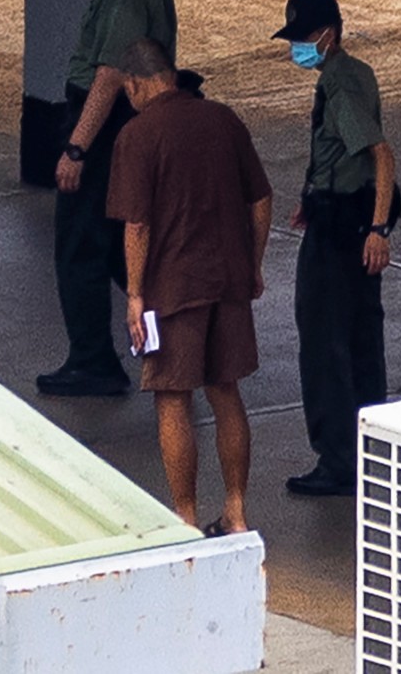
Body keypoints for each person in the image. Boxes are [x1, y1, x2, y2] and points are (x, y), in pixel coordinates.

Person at [107, 38, 272, 533]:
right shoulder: (223, 119)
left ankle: (185, 518)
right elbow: (261, 200)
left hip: (171, 289)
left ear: (136, 84)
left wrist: (135, 294)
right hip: (228, 279)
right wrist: (253, 264)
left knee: (172, 396)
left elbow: (137, 225)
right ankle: (236, 511)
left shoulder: (138, 135)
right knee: (226, 391)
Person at [36, 0, 178, 397]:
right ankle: (173, 340)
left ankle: (93, 359)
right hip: (127, 119)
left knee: (81, 244)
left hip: (105, 121)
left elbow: (110, 75)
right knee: (121, 247)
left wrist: (77, 148)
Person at [273, 0, 399, 497]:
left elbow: (381, 154)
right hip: (346, 216)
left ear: (329, 34)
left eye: (304, 37)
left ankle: (338, 459)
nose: (298, 47)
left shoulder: (340, 86)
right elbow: (343, 158)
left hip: (342, 232)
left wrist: (378, 230)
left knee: (325, 341)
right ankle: (370, 451)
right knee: (362, 338)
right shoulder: (356, 73)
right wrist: (314, 196)